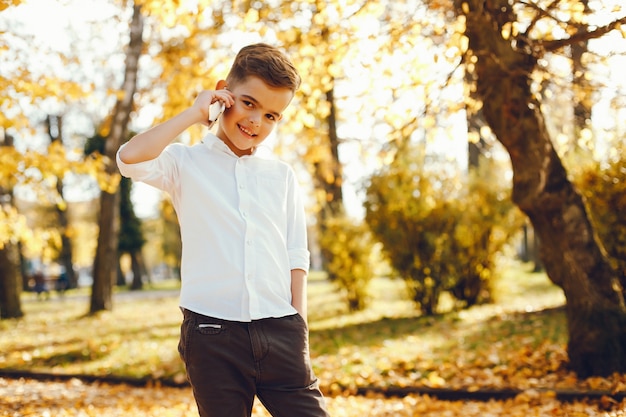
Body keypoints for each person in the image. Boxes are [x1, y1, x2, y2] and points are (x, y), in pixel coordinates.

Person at [116, 43, 329, 417]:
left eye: (271, 116)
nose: (256, 123)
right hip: (211, 335)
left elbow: (297, 255)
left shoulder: (281, 176)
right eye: (249, 104)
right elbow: (129, 158)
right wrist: (194, 113)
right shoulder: (185, 163)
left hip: (281, 330)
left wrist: (300, 328)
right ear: (223, 94)